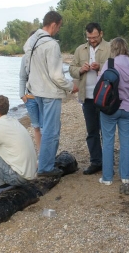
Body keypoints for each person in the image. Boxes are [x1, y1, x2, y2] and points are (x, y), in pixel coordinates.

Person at [25, 11, 78, 177]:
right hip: (50, 93)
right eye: (59, 26)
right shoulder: (52, 45)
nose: (58, 30)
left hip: (36, 91)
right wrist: (70, 86)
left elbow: (29, 68)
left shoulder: (31, 41)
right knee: (51, 130)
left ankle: (46, 162)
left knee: (47, 128)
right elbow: (56, 75)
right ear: (54, 24)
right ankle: (46, 168)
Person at [97, 37, 129, 195]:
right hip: (127, 108)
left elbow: (99, 83)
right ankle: (126, 177)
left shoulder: (110, 64)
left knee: (108, 142)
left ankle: (107, 177)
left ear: (113, 48)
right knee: (126, 142)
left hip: (110, 108)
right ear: (126, 48)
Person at [69, 23, 111, 175]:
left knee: (106, 131)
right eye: (89, 38)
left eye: (94, 37)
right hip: (86, 97)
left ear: (101, 33)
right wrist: (80, 70)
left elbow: (115, 68)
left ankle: (107, 162)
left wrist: (99, 66)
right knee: (92, 131)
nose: (92, 40)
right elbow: (71, 69)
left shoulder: (110, 48)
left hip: (105, 96)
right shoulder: (80, 49)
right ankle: (96, 162)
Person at [19, 30, 41, 153]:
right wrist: (22, 95)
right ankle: (40, 152)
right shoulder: (25, 58)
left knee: (45, 126)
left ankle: (46, 155)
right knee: (36, 126)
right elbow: (22, 77)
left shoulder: (45, 55)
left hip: (44, 97)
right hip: (30, 98)